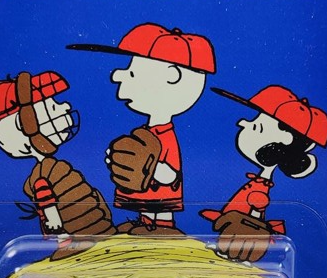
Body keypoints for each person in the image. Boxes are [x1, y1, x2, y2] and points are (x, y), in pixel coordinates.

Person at [68, 23, 216, 234]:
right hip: (147, 197)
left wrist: (150, 167)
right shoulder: (147, 133)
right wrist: (118, 158)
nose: (116, 76)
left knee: (160, 212)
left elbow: (171, 175)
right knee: (146, 213)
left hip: (161, 196)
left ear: (172, 76)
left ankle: (163, 227)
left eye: (133, 73)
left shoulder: (165, 136)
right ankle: (146, 223)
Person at [0, 70, 115, 259]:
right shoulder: (42, 175)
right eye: (53, 107)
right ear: (25, 124)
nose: (66, 106)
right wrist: (54, 221)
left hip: (98, 228)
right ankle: (68, 244)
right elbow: (47, 201)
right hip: (76, 232)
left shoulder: (55, 167)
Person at [200, 85, 327, 262]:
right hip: (238, 220)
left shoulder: (261, 186)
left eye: (257, 127)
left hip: (242, 224)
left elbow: (255, 210)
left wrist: (252, 223)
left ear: (283, 141)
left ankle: (233, 252)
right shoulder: (257, 180)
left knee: (240, 236)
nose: (242, 122)